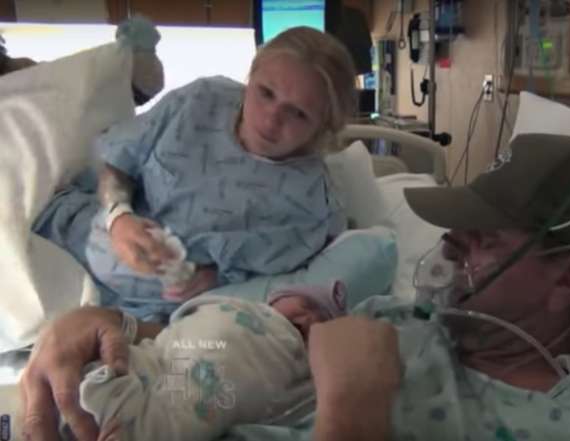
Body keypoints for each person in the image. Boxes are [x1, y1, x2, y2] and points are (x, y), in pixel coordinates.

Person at [20, 133, 570, 441]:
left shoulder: (560, 426)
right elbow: (244, 356)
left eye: (483, 238)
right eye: (457, 228)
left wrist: (353, 406)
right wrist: (121, 331)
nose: (450, 247)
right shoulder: (406, 317)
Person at [34, 26, 356, 322]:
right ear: (251, 77)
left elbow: (275, 285)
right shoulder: (200, 102)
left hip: (149, 314)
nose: (271, 119)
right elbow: (118, 160)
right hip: (72, 241)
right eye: (266, 93)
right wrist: (119, 217)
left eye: (298, 113)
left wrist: (214, 280)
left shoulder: (310, 207)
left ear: (323, 128)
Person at [12, 282, 346, 441]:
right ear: (273, 301)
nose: (312, 318)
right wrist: (103, 320)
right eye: (307, 304)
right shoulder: (234, 309)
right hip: (143, 361)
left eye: (324, 321)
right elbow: (172, 334)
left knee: (180, 409)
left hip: (192, 400)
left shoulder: (308, 377)